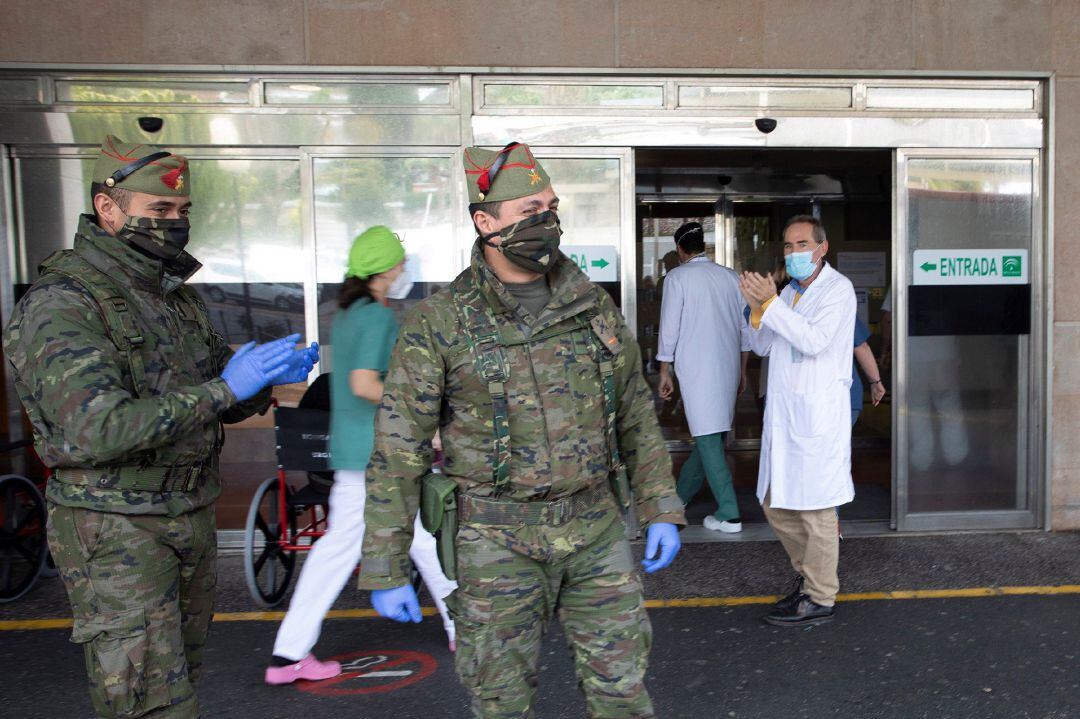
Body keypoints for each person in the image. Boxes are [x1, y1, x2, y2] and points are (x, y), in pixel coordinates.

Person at [359, 142, 685, 718]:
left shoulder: (593, 306)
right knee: (501, 700)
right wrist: (384, 563)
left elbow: (634, 409)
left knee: (623, 694)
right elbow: (398, 447)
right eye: (530, 209)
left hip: (594, 528)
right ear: (486, 223)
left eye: (552, 207)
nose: (547, 221)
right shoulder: (440, 322)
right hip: (495, 540)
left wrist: (660, 505)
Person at [1, 136, 318, 718]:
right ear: (108, 208)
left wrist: (257, 383)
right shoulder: (64, 302)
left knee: (177, 688)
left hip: (184, 514)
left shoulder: (170, 295)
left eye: (182, 213)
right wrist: (227, 385)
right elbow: (96, 429)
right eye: (159, 211)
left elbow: (204, 397)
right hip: (119, 527)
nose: (174, 224)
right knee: (147, 704)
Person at [266, 226, 456, 685]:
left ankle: (463, 623)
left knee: (417, 537)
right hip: (378, 448)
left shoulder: (348, 313)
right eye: (400, 262)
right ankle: (290, 654)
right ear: (385, 269)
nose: (404, 269)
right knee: (392, 540)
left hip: (355, 447)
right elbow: (364, 384)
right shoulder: (376, 317)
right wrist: (420, 407)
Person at [739, 214, 855, 627]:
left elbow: (813, 340)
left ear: (822, 248)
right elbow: (762, 344)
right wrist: (757, 308)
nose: (794, 253)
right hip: (786, 416)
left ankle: (821, 596)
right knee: (775, 502)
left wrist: (770, 305)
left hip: (818, 417)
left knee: (817, 509)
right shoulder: (787, 293)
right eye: (788, 246)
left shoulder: (838, 291)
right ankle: (809, 579)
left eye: (802, 245)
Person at [657, 222, 750, 533]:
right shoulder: (731, 277)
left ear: (681, 250)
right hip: (727, 365)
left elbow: (669, 328)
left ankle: (729, 512)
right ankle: (681, 496)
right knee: (712, 434)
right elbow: (745, 329)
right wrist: (743, 369)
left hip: (696, 368)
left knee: (708, 436)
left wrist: (663, 370)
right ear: (703, 247)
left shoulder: (677, 277)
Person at [879, 289, 968, 471]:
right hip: (945, 352)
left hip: (913, 355)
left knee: (917, 408)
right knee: (949, 407)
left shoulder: (903, 274)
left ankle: (921, 460)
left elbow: (889, 318)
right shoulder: (946, 278)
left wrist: (885, 349)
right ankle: (956, 456)